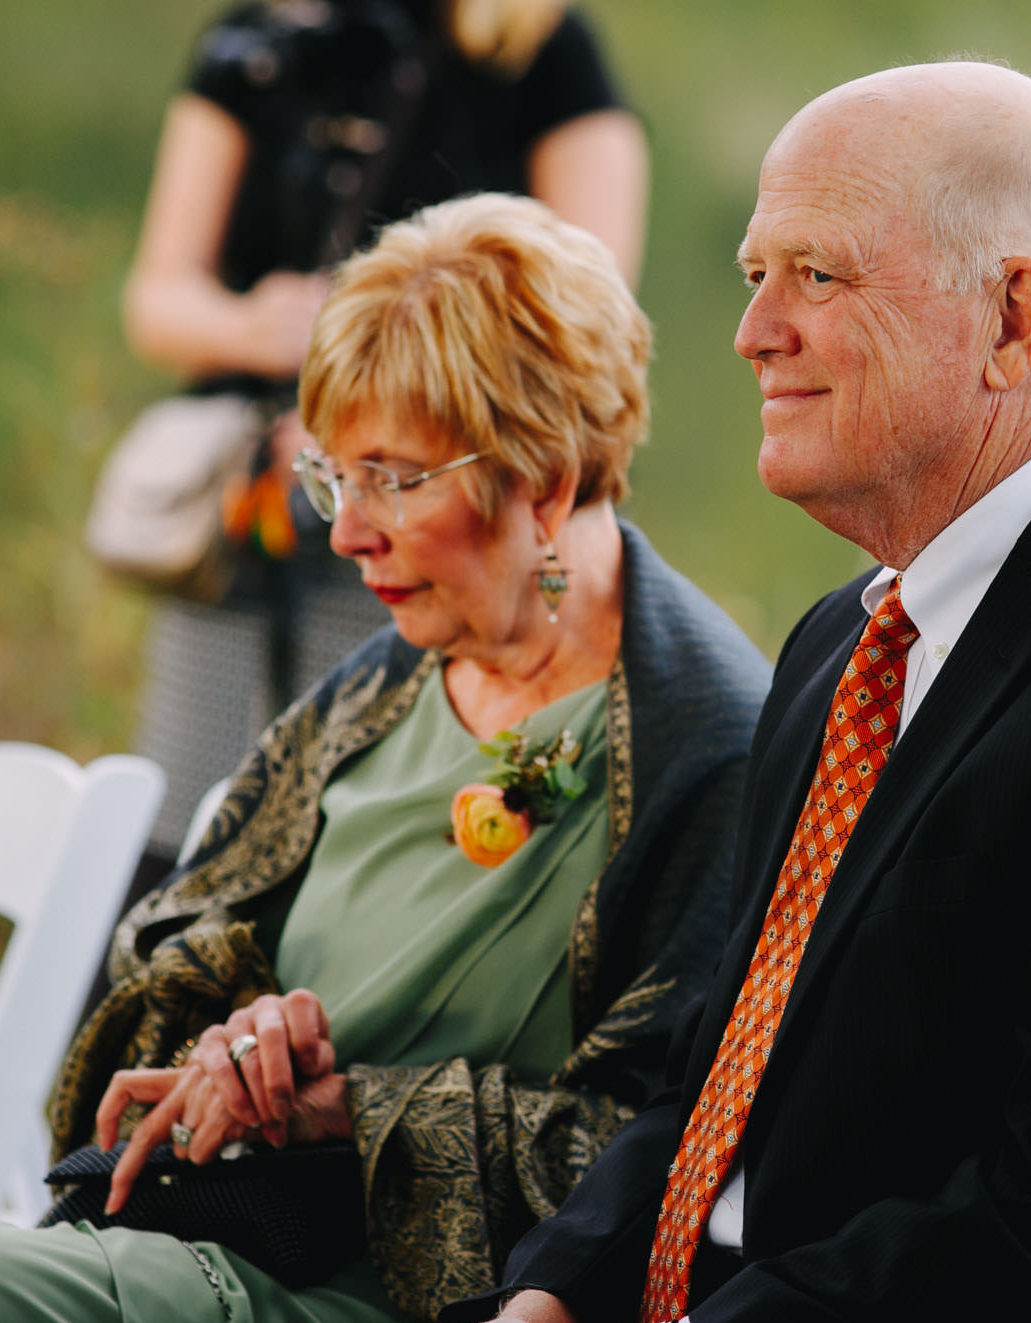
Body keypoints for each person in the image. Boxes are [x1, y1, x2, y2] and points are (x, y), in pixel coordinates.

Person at [326, 61, 1031, 1323]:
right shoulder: (848, 637)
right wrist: (549, 1300)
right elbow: (717, 1081)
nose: (751, 331)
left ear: (1011, 320)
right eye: (753, 274)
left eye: (816, 275)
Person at [0, 194, 768, 1323]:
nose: (346, 531)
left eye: (393, 477)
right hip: (224, 1229)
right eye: (330, 476)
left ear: (543, 478)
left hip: (413, 1297)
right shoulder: (376, 686)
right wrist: (231, 1038)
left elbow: (683, 1149)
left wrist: (352, 1110)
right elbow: (160, 965)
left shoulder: (707, 741)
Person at [122, 0, 647, 877]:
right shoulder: (255, 40)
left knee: (388, 836)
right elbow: (157, 298)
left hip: (446, 510)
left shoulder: (542, 46)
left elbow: (591, 312)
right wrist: (261, 331)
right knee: (192, 832)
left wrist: (377, 426)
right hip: (247, 515)